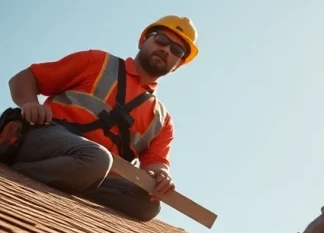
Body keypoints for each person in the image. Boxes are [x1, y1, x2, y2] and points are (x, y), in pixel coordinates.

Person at [1, 16, 199, 221]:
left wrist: (161, 177)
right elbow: (25, 78)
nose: (166, 50)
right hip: (44, 140)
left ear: (178, 64)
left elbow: (155, 165)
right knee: (96, 159)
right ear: (143, 41)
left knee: (147, 205)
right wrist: (30, 103)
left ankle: (73, 180)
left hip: (94, 168)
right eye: (161, 40)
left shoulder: (162, 120)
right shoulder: (98, 62)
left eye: (177, 50)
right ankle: (13, 168)